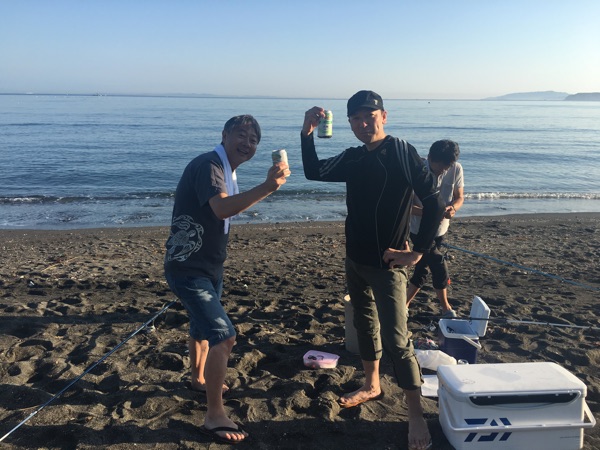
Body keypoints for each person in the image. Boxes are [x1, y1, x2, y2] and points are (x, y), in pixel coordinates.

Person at [301, 90, 445, 450]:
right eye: (356, 118)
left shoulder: (401, 151)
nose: (363, 124)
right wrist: (306, 133)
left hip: (388, 265)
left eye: (370, 116)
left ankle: (415, 415)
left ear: (384, 116)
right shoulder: (353, 157)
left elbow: (434, 202)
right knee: (364, 325)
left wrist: (418, 252)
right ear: (349, 122)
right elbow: (313, 171)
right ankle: (371, 384)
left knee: (397, 340)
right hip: (355, 260)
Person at [164, 115, 290, 445]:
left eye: (254, 139)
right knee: (223, 337)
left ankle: (198, 378)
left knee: (200, 327)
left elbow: (223, 210)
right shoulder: (209, 166)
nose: (247, 143)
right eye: (241, 135)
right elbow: (221, 209)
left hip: (208, 268)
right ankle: (214, 416)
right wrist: (268, 187)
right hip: (188, 270)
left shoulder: (225, 170)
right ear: (224, 135)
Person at [406, 140, 464, 318]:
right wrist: (431, 213)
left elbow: (459, 197)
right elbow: (405, 206)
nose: (443, 172)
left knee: (422, 268)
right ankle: (446, 308)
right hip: (419, 229)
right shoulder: (416, 170)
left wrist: (453, 209)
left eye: (447, 168)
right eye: (439, 168)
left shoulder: (456, 169)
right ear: (430, 158)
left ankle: (404, 304)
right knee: (438, 264)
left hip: (441, 230)